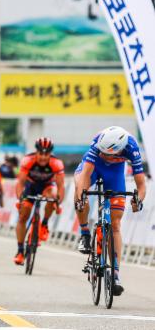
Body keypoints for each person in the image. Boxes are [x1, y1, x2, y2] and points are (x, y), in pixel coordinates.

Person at [74, 126, 146, 296]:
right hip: (93, 168)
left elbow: (141, 184)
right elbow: (85, 175)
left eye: (107, 153)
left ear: (119, 150)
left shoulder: (131, 148)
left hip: (115, 173)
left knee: (115, 225)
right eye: (102, 151)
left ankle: (115, 275)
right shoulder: (97, 146)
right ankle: (85, 234)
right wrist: (81, 196)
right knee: (79, 192)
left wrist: (138, 200)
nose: (103, 155)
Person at [13, 137, 65, 265]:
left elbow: (60, 187)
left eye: (46, 154)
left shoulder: (56, 163)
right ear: (36, 152)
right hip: (31, 187)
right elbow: (20, 182)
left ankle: (44, 224)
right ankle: (20, 251)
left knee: (52, 197)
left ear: (50, 154)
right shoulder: (27, 160)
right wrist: (20, 199)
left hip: (47, 186)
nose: (43, 157)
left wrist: (58, 203)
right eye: (40, 153)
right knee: (23, 215)